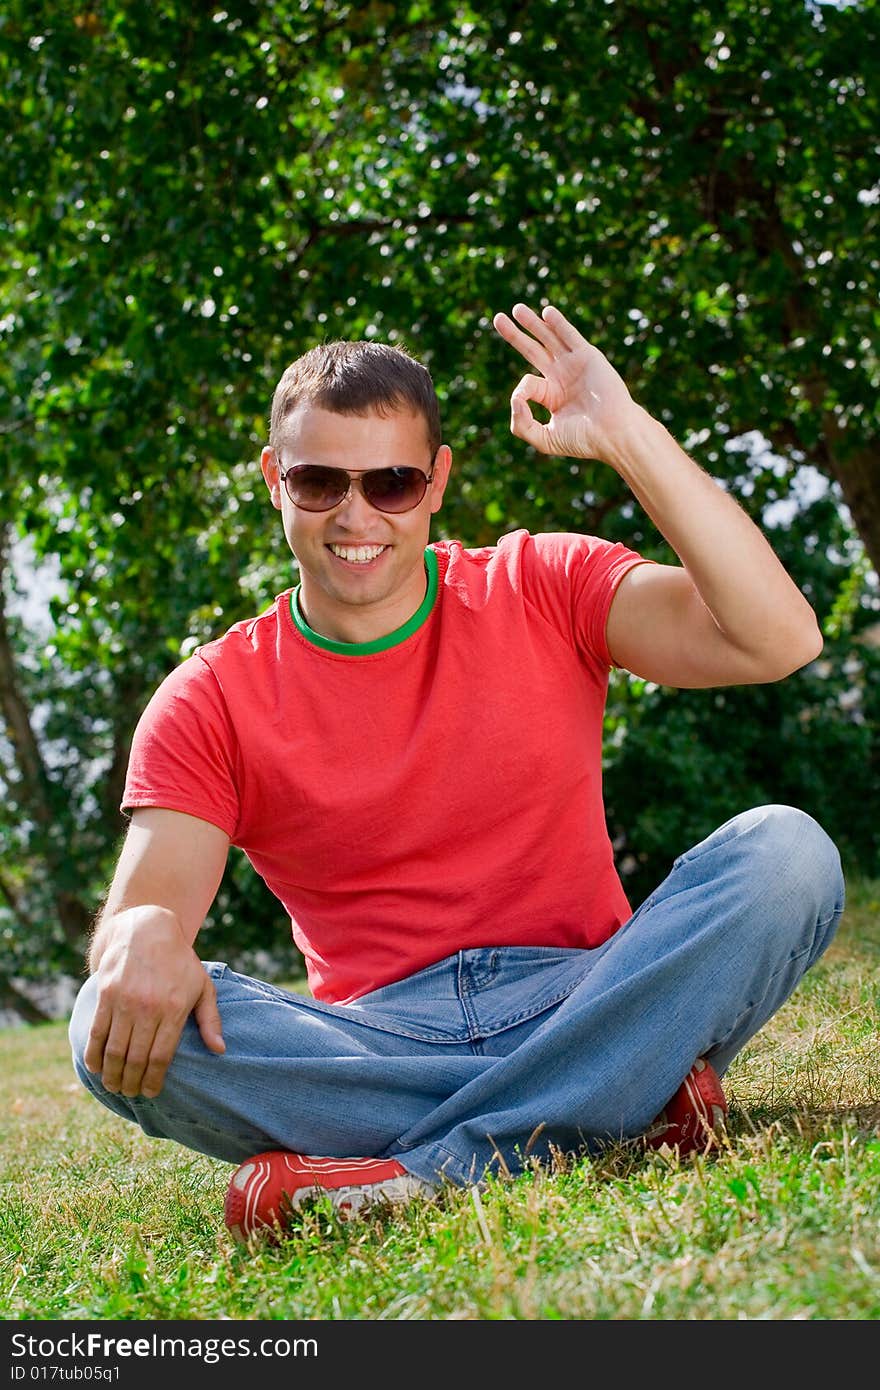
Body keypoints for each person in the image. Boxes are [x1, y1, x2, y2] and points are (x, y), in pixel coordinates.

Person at [68, 302, 845, 1242]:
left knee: (787, 853)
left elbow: (780, 638)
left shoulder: (542, 584)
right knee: (103, 1031)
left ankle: (430, 1169)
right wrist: (143, 933)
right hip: (381, 1040)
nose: (356, 515)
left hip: (591, 988)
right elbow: (146, 923)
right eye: (319, 481)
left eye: (390, 483)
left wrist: (628, 434)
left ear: (436, 482)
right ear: (276, 481)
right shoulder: (211, 697)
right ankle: (620, 1099)